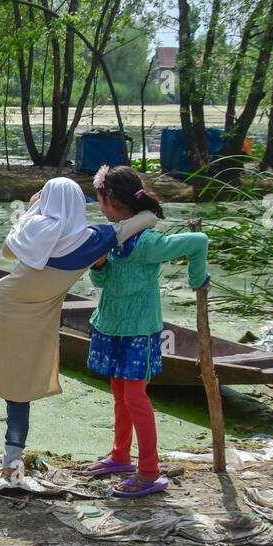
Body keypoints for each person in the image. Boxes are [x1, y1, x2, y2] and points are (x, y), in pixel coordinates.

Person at [0, 176, 158, 479]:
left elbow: (9, 252)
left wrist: (33, 210)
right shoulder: (93, 240)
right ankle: (11, 463)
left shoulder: (34, 228)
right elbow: (144, 220)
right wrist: (144, 204)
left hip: (1, 305)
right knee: (21, 388)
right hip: (37, 318)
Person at [82, 165, 209, 497]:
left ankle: (150, 471)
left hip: (139, 329)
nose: (99, 207)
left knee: (136, 396)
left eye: (100, 200)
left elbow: (197, 241)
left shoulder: (148, 241)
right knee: (119, 391)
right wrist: (100, 266)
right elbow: (104, 281)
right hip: (111, 323)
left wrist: (198, 278)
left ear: (111, 200)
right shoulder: (115, 236)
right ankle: (120, 455)